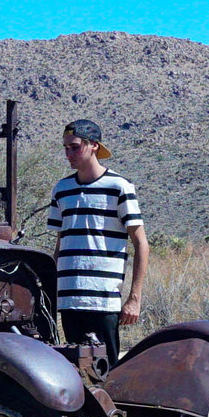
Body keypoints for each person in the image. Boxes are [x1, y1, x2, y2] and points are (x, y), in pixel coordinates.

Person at [47, 117, 147, 364]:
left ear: (94, 146)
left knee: (106, 371)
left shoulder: (119, 187)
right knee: (76, 370)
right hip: (69, 298)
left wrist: (134, 297)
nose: (69, 153)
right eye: (66, 148)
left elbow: (141, 243)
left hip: (103, 297)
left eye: (75, 146)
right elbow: (60, 245)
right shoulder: (62, 189)